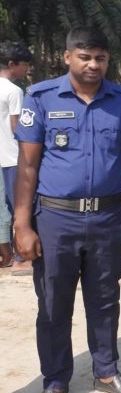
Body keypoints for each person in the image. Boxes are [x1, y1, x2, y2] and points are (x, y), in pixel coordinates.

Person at [14, 27, 121, 393]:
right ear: (68, 57)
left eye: (100, 58)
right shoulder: (40, 98)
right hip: (56, 219)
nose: (93, 65)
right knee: (54, 304)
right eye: (85, 57)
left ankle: (105, 371)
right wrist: (22, 225)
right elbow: (27, 167)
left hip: (108, 218)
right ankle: (56, 379)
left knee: (105, 299)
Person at [0, 41, 33, 274]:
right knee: (20, 206)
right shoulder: (13, 91)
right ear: (12, 64)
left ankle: (6, 254)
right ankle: (23, 257)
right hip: (12, 158)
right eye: (25, 64)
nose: (27, 69)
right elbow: (17, 127)